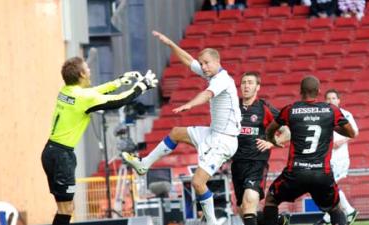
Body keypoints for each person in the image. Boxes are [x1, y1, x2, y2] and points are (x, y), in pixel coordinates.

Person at [122, 30, 241, 225]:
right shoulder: (211, 73)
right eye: (202, 64)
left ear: (217, 61)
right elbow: (188, 60)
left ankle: (211, 223)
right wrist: (170, 43)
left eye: (206, 63)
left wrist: (190, 104)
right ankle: (144, 165)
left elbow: (207, 95)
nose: (203, 67)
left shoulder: (222, 80)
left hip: (224, 140)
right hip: (213, 133)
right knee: (176, 133)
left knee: (197, 183)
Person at [41, 56, 158, 225]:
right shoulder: (83, 98)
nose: (90, 71)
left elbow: (92, 92)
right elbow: (119, 101)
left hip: (50, 152)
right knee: (66, 209)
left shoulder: (66, 91)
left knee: (65, 208)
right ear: (81, 74)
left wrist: (119, 82)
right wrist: (142, 86)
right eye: (87, 68)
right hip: (62, 158)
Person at [262, 76, 356, 225]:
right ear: (319, 91)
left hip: (295, 173)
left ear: (300, 91)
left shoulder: (290, 110)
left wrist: (274, 141)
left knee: (272, 200)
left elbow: (270, 130)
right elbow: (351, 133)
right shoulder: (331, 110)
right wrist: (331, 126)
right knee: (335, 208)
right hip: (321, 173)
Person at [232, 72, 291, 225]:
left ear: (257, 87)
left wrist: (272, 142)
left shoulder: (263, 108)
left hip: (256, 163)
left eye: (250, 82)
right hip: (237, 164)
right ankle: (278, 221)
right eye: (244, 82)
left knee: (250, 200)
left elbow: (287, 130)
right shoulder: (233, 107)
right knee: (243, 210)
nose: (246, 85)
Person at [314, 89, 359, 225]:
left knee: (330, 186)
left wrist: (342, 140)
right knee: (327, 187)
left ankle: (332, 217)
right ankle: (343, 212)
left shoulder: (346, 114)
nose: (331, 101)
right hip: (326, 157)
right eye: (328, 98)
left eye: (334, 98)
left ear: (339, 100)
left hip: (339, 158)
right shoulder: (322, 115)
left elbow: (355, 132)